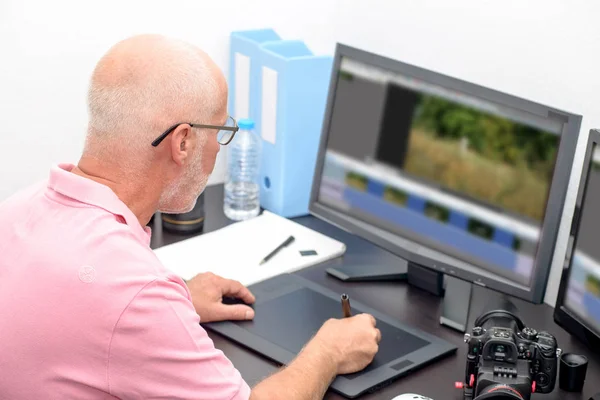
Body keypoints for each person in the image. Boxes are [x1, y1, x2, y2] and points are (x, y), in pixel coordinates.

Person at [0, 34, 380, 399]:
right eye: (221, 129)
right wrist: (329, 352)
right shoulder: (136, 291)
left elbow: (72, 312)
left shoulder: (18, 209)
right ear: (182, 142)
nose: (219, 148)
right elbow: (121, 296)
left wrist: (176, 305)